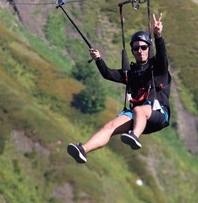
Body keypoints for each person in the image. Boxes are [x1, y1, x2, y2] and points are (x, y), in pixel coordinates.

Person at [67, 13, 171, 163]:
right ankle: (83, 149)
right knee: (110, 125)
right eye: (136, 48)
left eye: (143, 47)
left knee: (138, 110)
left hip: (158, 113)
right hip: (138, 117)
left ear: (149, 48)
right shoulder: (132, 73)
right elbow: (108, 74)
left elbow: (163, 55)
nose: (140, 51)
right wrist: (99, 60)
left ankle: (134, 136)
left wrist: (158, 36)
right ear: (133, 51)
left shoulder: (159, 69)